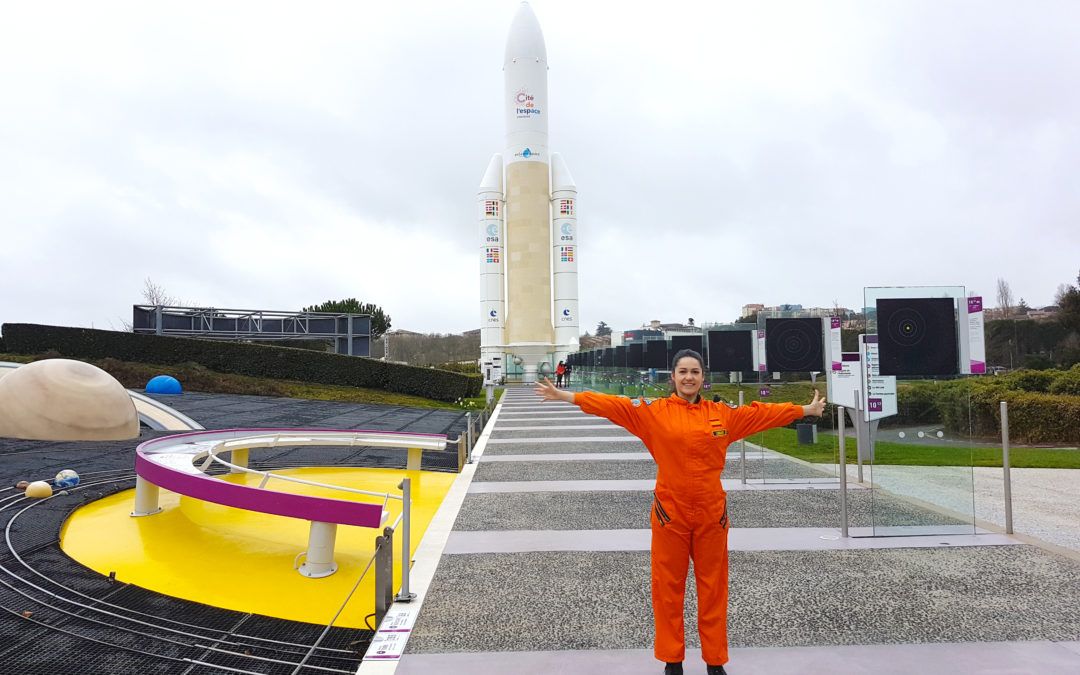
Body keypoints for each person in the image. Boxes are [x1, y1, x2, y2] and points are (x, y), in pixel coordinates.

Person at [534, 349, 825, 675]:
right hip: (669, 514)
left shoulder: (722, 415)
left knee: (713, 588)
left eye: (695, 372)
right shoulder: (652, 412)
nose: (689, 377)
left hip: (712, 514)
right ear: (672, 377)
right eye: (683, 372)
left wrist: (804, 409)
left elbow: (762, 413)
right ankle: (673, 660)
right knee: (667, 587)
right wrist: (563, 395)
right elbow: (610, 404)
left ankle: (715, 661)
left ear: (703, 378)